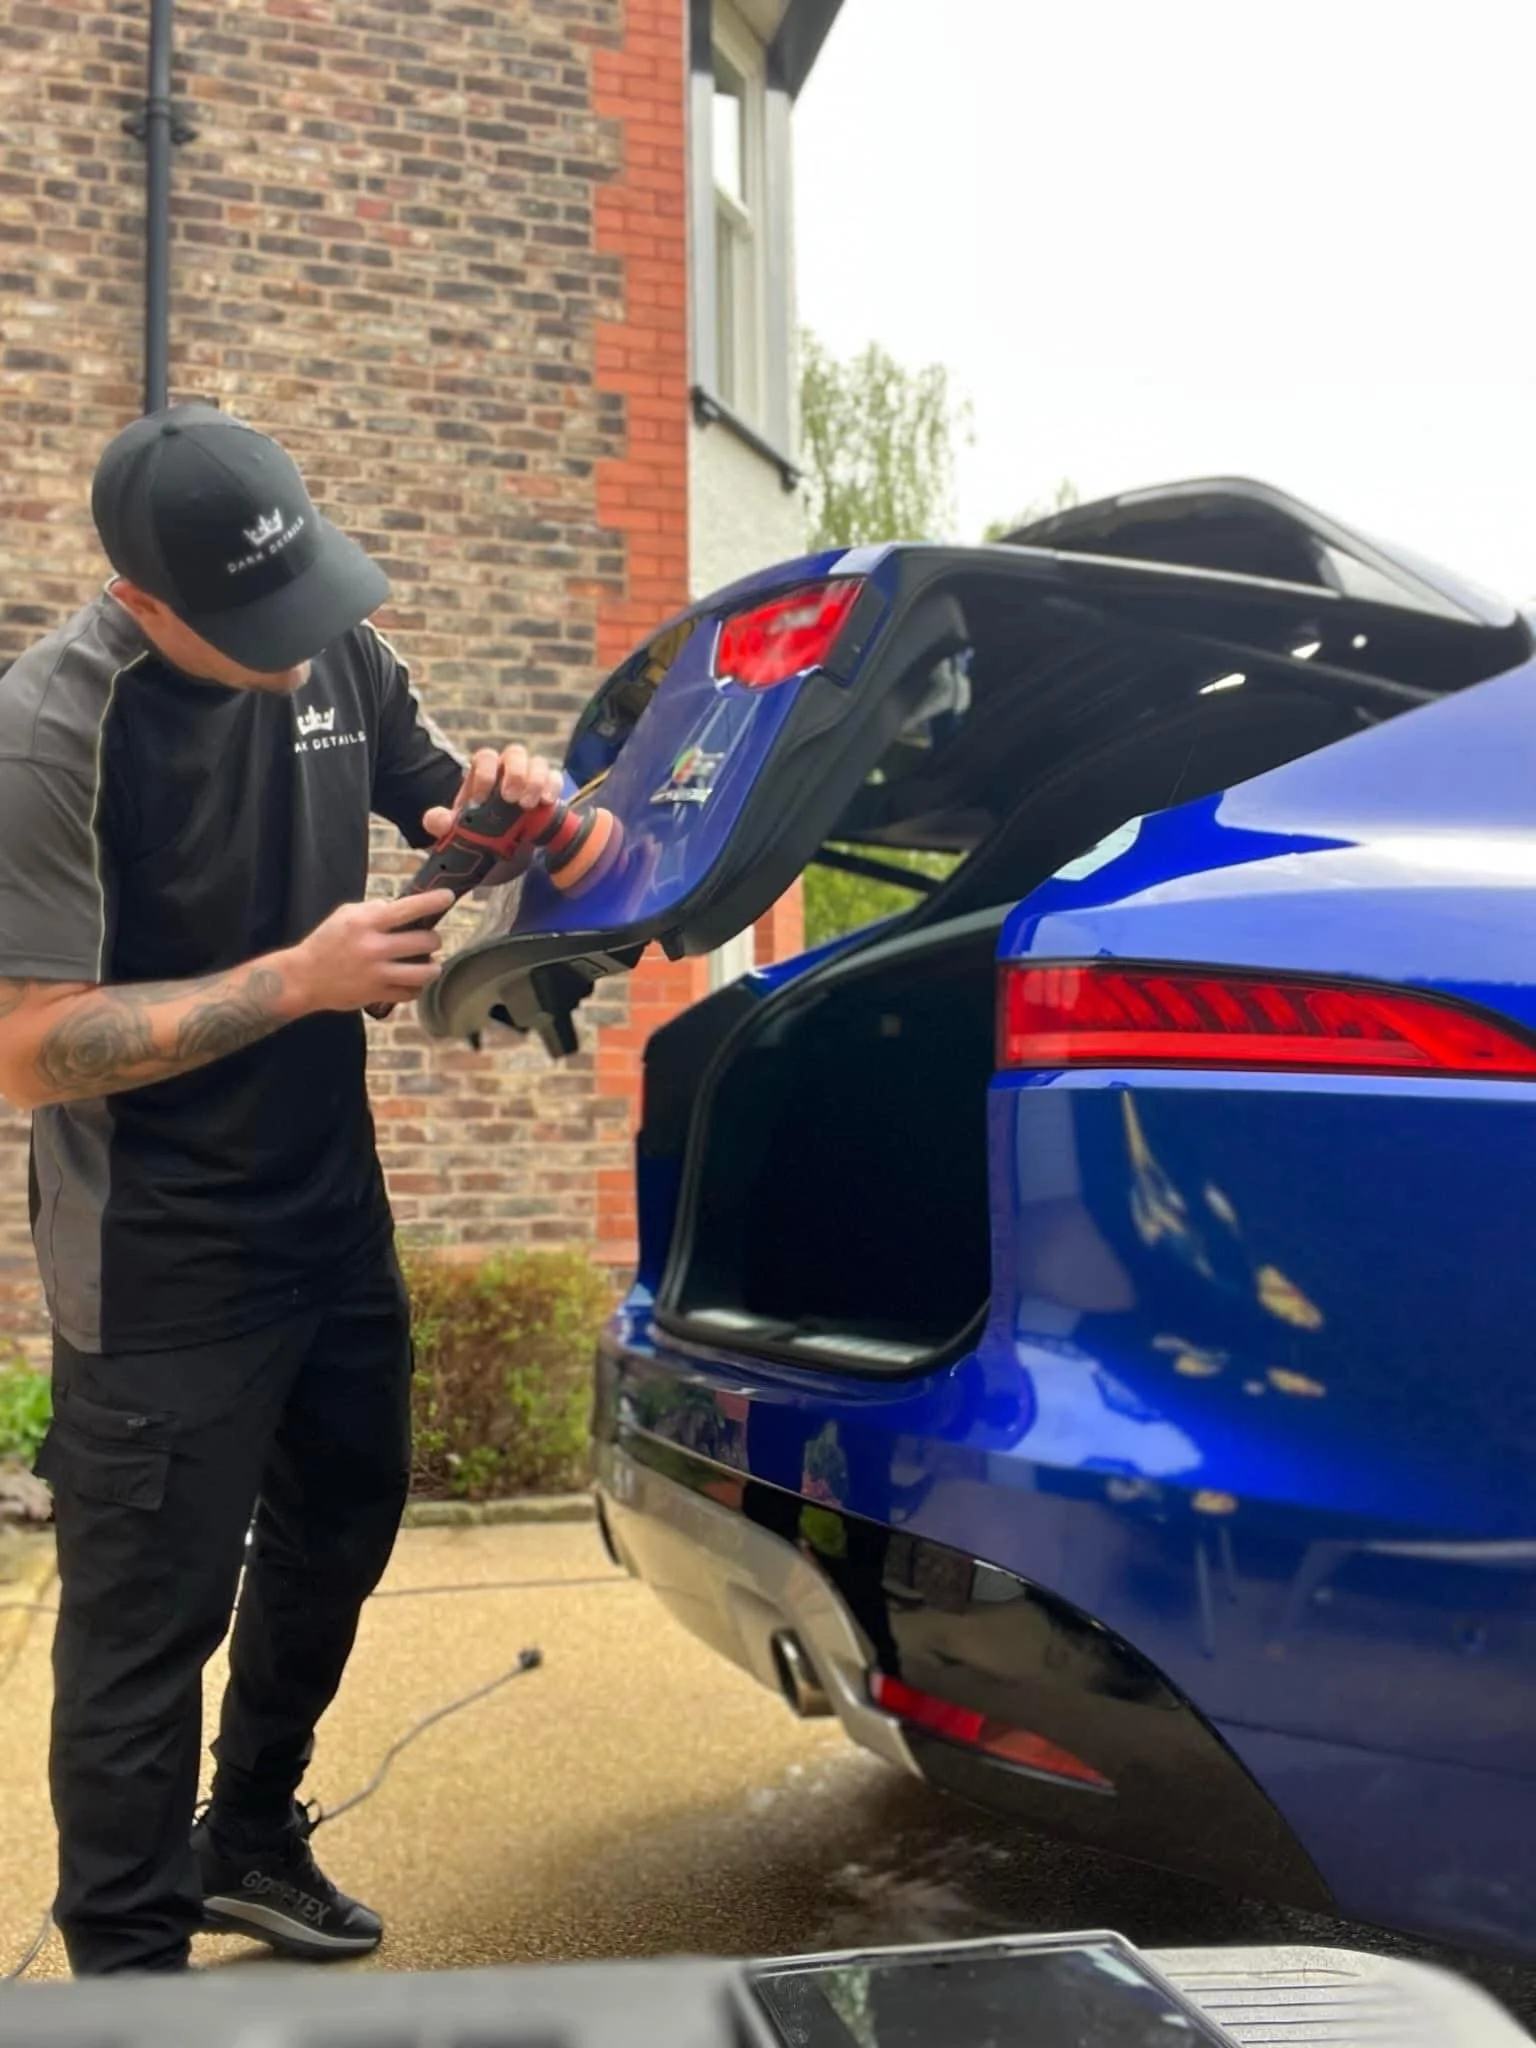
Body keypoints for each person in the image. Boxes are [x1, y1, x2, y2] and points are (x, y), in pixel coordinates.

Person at [0, 403, 563, 1977]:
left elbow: (447, 807)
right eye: (256, 621)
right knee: (140, 1637)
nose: (300, 646)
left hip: (330, 1212)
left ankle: (248, 1834)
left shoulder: (338, 655)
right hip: (159, 1253)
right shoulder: (49, 731)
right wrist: (300, 980)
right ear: (145, 600)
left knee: (343, 1527)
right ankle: (125, 1973)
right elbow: (29, 1052)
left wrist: (502, 810)